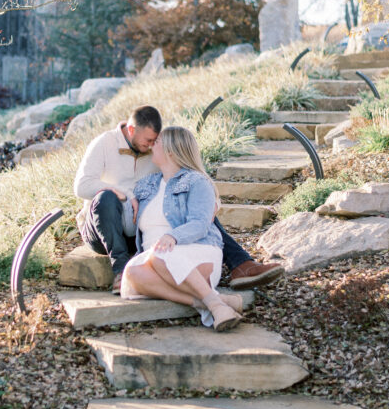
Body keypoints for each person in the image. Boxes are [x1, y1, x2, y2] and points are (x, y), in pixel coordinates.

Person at [73, 104, 283, 293]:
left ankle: (241, 265)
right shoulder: (103, 143)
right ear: (131, 130)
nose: (151, 145)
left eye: (156, 141)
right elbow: (81, 186)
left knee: (200, 212)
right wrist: (123, 193)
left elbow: (188, 175)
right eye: (148, 141)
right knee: (106, 198)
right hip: (104, 229)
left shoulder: (155, 151)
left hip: (137, 230)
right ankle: (120, 270)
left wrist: (212, 203)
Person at [121, 126, 242, 331]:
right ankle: (212, 302)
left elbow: (200, 223)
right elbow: (126, 211)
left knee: (160, 254)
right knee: (132, 272)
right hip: (156, 259)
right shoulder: (146, 184)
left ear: (170, 150)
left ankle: (214, 305)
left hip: (197, 252)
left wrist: (173, 236)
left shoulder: (196, 181)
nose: (151, 145)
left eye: (157, 142)